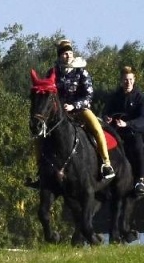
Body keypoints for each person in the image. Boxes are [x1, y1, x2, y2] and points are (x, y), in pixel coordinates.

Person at [55, 38, 115, 180]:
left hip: (80, 110)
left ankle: (106, 163)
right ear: (59, 56)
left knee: (96, 128)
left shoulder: (81, 72)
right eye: (64, 53)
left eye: (70, 52)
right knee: (40, 134)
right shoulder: (53, 72)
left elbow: (88, 95)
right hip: (60, 113)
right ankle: (41, 170)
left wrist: (73, 105)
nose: (68, 55)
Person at [105, 66, 144, 193]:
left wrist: (127, 124)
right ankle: (107, 177)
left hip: (133, 132)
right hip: (116, 132)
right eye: (125, 80)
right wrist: (107, 118)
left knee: (138, 147)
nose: (128, 83)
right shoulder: (115, 96)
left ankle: (140, 180)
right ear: (121, 81)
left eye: (131, 79)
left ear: (134, 80)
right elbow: (106, 113)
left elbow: (142, 119)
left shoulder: (140, 97)